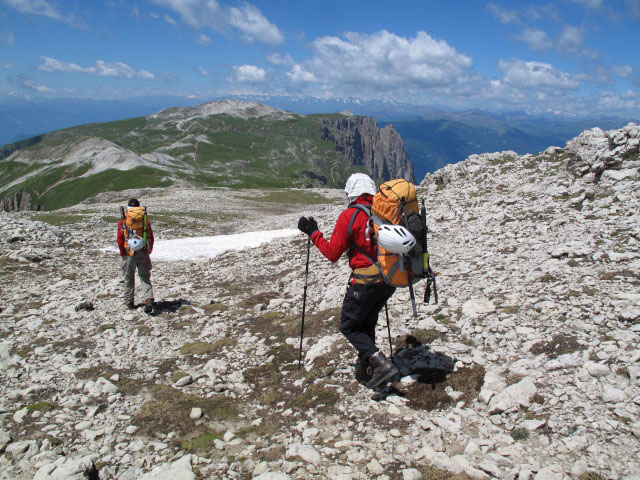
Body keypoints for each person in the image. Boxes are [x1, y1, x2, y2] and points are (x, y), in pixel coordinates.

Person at [298, 173, 399, 389]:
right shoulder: (384, 212)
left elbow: (332, 253)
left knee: (349, 326)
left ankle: (380, 364)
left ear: (351, 193)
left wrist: (313, 233)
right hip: (389, 280)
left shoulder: (350, 215)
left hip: (364, 281)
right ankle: (366, 371)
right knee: (366, 322)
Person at [117, 198, 155, 313]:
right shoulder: (145, 221)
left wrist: (123, 253)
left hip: (129, 253)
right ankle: (148, 299)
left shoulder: (122, 222)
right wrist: (148, 250)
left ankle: (129, 302)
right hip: (143, 251)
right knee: (144, 277)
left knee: (128, 278)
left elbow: (119, 240)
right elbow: (151, 237)